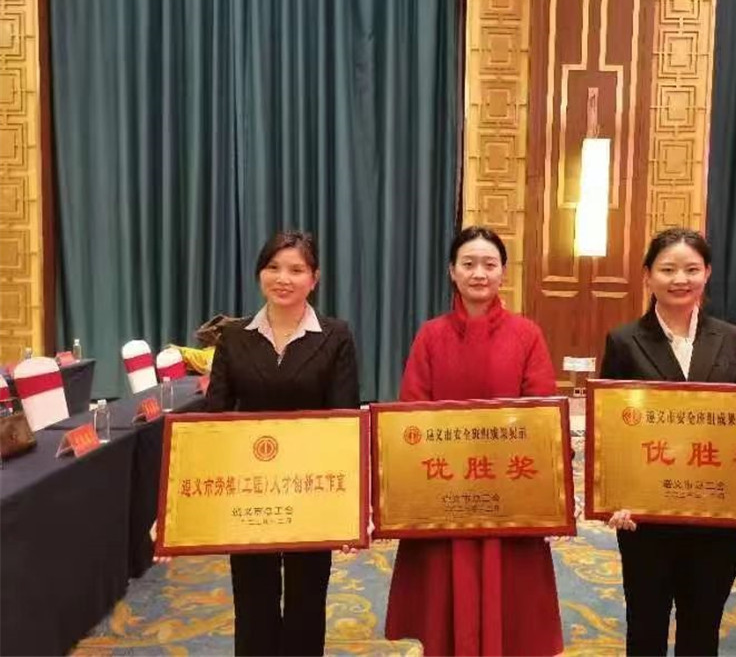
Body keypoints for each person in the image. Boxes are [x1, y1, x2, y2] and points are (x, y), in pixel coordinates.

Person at [599, 227, 736, 656]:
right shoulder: (623, 341)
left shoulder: (732, 339)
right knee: (645, 625)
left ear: (707, 273)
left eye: (691, 269)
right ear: (647, 276)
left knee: (702, 627)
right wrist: (612, 497)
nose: (679, 279)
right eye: (667, 269)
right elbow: (609, 429)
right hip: (646, 517)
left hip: (716, 515)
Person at [385, 226, 564, 656]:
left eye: (489, 264)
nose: (479, 273)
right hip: (444, 494)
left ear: (503, 272)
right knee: (446, 606)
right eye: (468, 264)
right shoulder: (431, 335)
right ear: (452, 271)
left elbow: (542, 418)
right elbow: (411, 415)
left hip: (511, 495)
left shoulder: (527, 334)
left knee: (513, 612)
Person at [205, 230, 359, 656]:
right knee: (252, 598)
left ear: (315, 278)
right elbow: (211, 423)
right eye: (273, 267)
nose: (283, 278)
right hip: (248, 491)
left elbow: (345, 422)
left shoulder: (335, 336)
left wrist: (348, 508)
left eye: (296, 269)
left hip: (312, 489)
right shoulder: (234, 336)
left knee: (307, 598)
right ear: (260, 273)